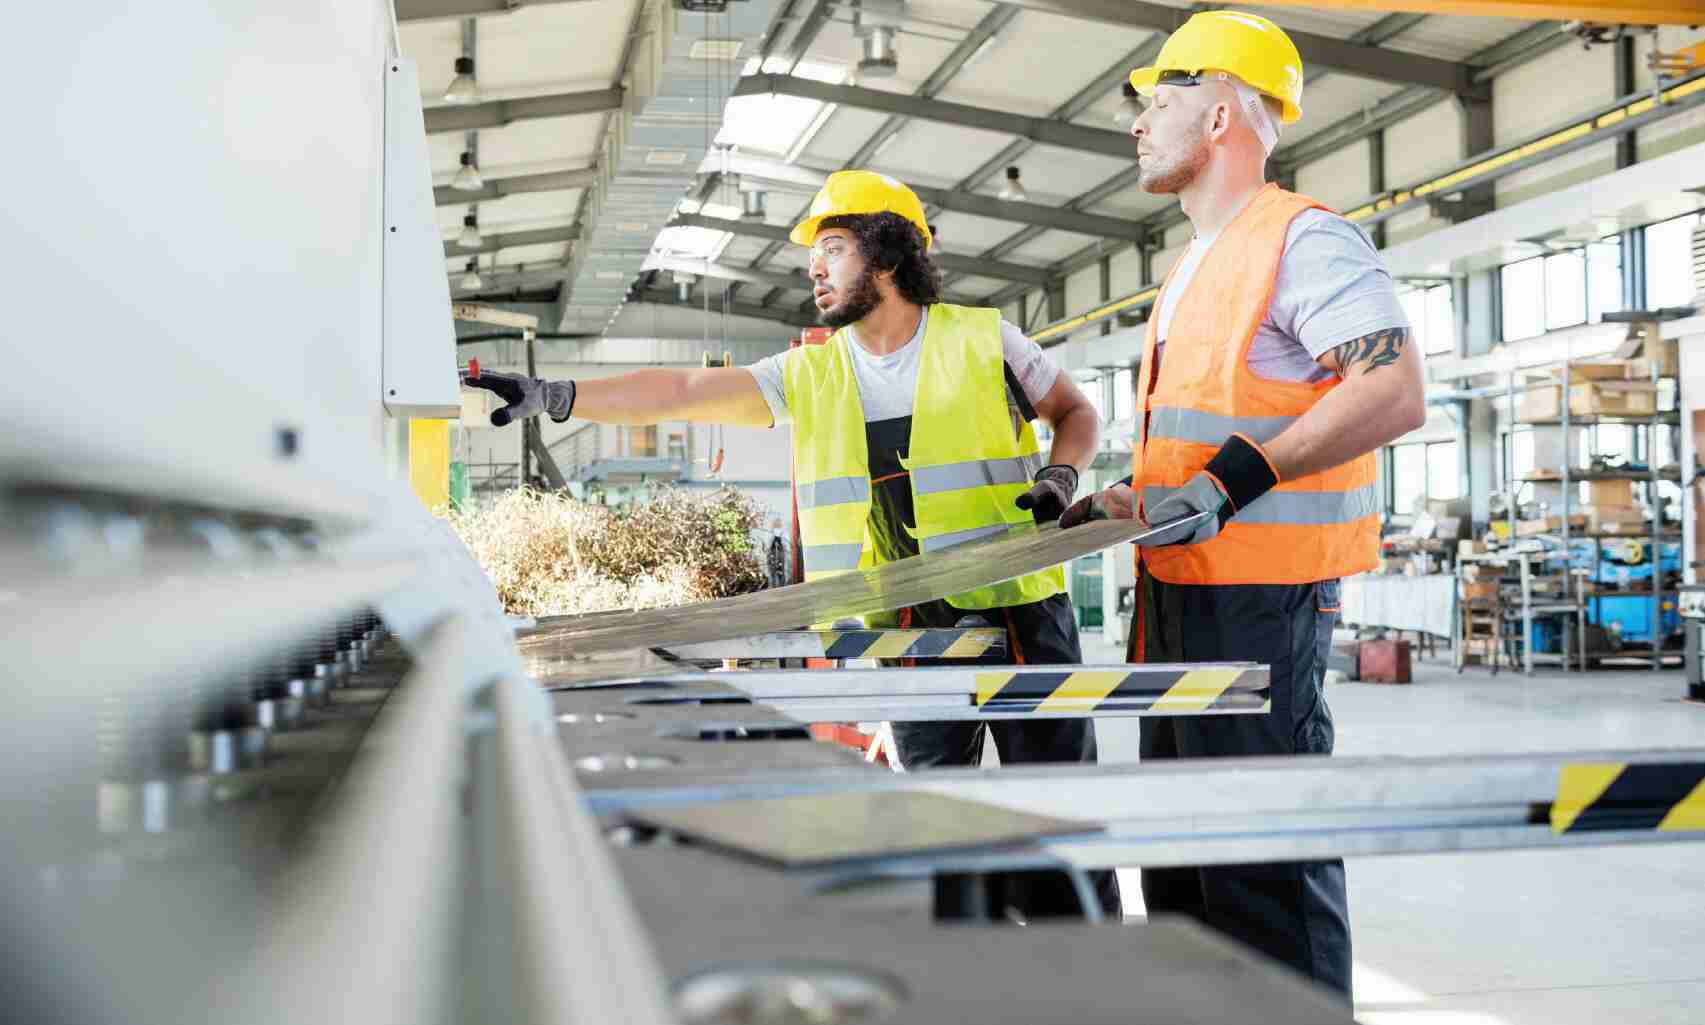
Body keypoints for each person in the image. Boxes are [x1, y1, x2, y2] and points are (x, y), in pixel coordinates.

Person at [464, 169, 1119, 921]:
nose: (813, 267)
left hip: (1017, 611)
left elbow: (1075, 411)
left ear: (888, 255)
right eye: (813, 253)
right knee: (934, 820)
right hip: (902, 628)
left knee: (1058, 816)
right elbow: (681, 393)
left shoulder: (984, 338)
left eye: (832, 247)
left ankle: (1086, 962)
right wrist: (558, 396)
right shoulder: (810, 372)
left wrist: (1062, 474)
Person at [1061, 9, 1427, 999]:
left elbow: (1391, 388)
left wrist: (1235, 479)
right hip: (1174, 603)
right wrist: (1126, 499)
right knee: (1182, 876)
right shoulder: (1186, 267)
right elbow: (1200, 440)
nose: (1138, 122)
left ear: (1221, 110)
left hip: (1260, 611)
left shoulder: (1300, 239)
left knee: (1264, 873)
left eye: (1158, 99)